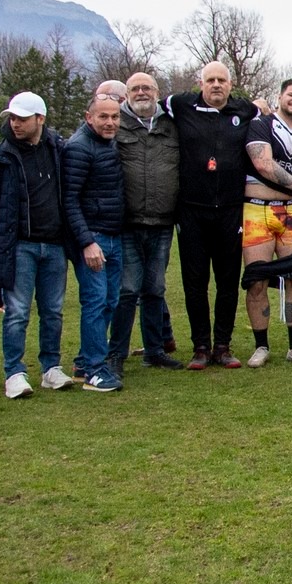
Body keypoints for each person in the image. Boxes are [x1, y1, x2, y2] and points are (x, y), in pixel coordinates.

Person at [0, 92, 75, 399]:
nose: (15, 123)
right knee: (18, 311)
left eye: (22, 118)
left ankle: (51, 368)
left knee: (53, 310)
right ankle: (15, 372)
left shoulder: (59, 150)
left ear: (40, 119)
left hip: (54, 245)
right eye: (12, 118)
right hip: (18, 245)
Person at [164, 61, 263, 369]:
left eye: (222, 80)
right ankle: (200, 347)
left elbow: (273, 121)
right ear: (201, 83)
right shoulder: (180, 105)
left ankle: (223, 345)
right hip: (192, 210)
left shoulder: (245, 110)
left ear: (230, 84)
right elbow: (141, 106)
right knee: (194, 281)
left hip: (231, 209)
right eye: (211, 80)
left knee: (228, 280)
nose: (216, 85)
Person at [241, 78, 292, 367]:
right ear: (280, 96)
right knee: (257, 281)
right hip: (256, 211)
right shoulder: (262, 124)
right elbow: (263, 163)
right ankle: (261, 346)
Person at [109, 72, 181, 370]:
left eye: (147, 88)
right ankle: (116, 354)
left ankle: (154, 351)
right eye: (135, 88)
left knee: (154, 289)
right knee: (127, 291)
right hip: (128, 222)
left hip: (163, 222)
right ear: (126, 94)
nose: (141, 93)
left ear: (157, 92)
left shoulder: (171, 124)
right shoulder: (115, 124)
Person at [62, 93, 127, 391]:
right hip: (94, 238)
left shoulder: (109, 143)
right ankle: (95, 370)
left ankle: (84, 360)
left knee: (110, 302)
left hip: (114, 235)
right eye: (103, 116)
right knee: (96, 301)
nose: (110, 122)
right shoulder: (78, 148)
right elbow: (69, 200)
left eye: (115, 116)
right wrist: (87, 241)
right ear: (89, 117)